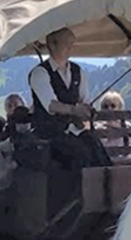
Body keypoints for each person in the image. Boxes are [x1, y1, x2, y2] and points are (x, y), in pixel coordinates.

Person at [28, 27, 110, 168]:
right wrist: (75, 110)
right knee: (80, 154)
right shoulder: (39, 73)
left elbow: (84, 101)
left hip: (75, 132)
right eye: (67, 44)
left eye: (72, 44)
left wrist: (87, 112)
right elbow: (51, 106)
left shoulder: (78, 72)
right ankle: (83, 189)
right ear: (52, 45)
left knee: (98, 151)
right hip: (48, 136)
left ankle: (106, 186)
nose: (71, 48)